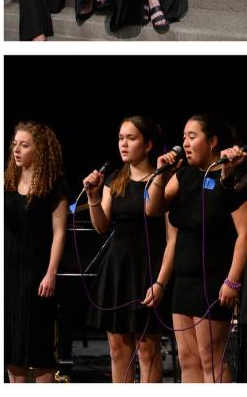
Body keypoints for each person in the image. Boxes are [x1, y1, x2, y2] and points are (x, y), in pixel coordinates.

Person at [143, 114, 247, 383]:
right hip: (184, 281)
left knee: (211, 360)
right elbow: (152, 208)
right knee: (187, 360)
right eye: (184, 138)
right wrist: (161, 174)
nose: (186, 143)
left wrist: (233, 280)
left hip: (214, 279)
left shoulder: (232, 177)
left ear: (213, 141)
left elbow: (246, 233)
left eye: (192, 137)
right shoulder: (183, 175)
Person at [82, 117, 171, 382]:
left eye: (131, 138)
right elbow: (101, 227)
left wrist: (161, 282)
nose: (123, 143)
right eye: (121, 138)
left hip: (147, 268)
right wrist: (93, 197)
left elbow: (171, 237)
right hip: (117, 269)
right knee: (118, 349)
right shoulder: (115, 180)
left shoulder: (162, 179)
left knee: (147, 349)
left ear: (148, 144)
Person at [4, 123, 68, 382]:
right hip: (8, 273)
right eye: (14, 144)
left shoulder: (54, 185)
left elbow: (60, 232)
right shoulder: (6, 181)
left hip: (37, 274)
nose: (16, 150)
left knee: (39, 351)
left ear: (39, 150)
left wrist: (50, 274)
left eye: (24, 144)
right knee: (12, 350)